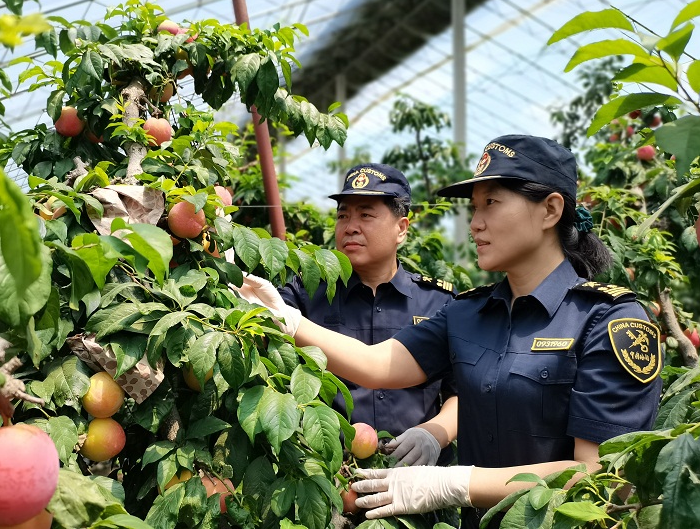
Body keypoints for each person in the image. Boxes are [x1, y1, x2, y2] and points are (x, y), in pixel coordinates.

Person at [236, 134, 663, 528]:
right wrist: (289, 320)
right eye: (474, 208)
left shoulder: (607, 321)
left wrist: (454, 483)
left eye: (491, 203)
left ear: (550, 210)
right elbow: (380, 363)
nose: (475, 223)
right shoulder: (468, 312)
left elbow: (604, 474)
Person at [278, 163, 457, 467]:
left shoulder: (438, 302)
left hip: (418, 477)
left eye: (366, 215)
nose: (350, 227)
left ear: (401, 229)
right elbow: (263, 317)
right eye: (343, 215)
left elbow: (461, 390)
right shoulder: (306, 294)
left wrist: (434, 433)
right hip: (329, 475)